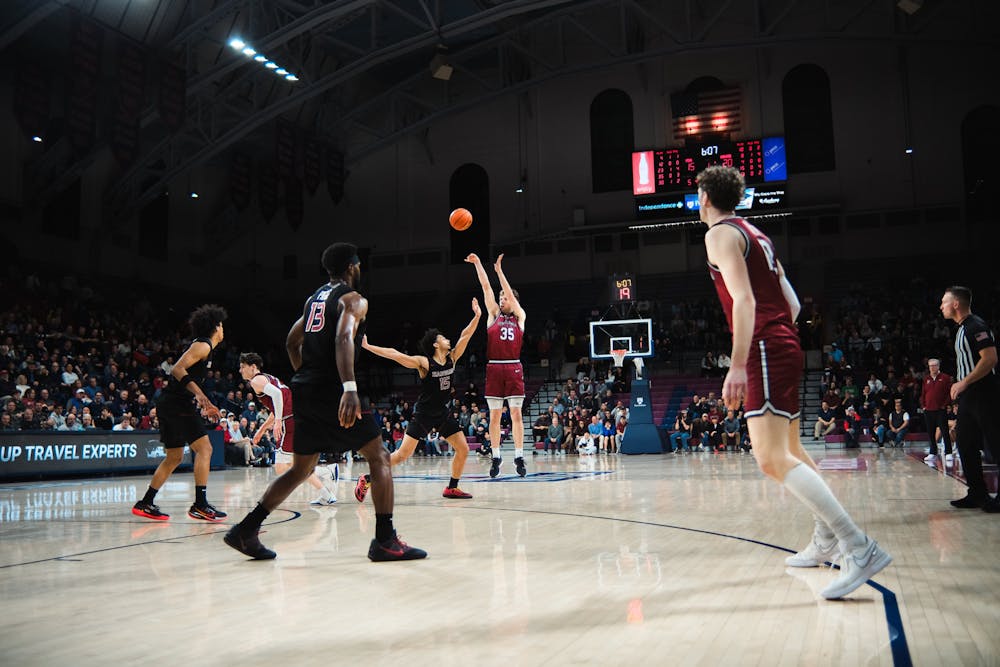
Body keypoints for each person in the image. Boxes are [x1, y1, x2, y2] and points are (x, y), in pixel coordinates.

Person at [697, 165, 890, 599]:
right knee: (792, 450)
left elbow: (745, 300)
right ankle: (826, 539)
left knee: (769, 459)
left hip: (765, 346)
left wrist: (737, 364)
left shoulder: (719, 234)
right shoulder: (757, 235)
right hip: (784, 341)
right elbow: (794, 304)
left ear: (705, 197)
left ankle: (858, 546)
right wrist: (776, 334)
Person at [224, 242, 425, 560]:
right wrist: (348, 387)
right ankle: (385, 540)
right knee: (380, 457)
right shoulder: (353, 299)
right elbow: (343, 337)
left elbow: (292, 342)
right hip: (333, 388)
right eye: (359, 265)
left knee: (301, 469)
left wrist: (307, 376)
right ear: (352, 267)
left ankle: (245, 530)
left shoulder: (313, 300)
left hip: (306, 388)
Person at [355, 298, 482, 501]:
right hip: (423, 414)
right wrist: (369, 347)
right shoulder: (425, 363)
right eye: (443, 338)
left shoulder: (453, 357)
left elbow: (466, 335)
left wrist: (477, 316)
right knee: (401, 455)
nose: (448, 340)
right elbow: (396, 355)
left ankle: (452, 488)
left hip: (442, 413)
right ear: (436, 344)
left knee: (463, 449)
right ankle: (367, 478)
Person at [132, 304, 228, 522]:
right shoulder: (203, 345)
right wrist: (201, 396)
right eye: (221, 325)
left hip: (170, 403)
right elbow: (176, 369)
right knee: (205, 449)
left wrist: (203, 399)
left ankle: (145, 502)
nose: (223, 329)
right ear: (215, 327)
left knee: (174, 457)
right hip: (177, 404)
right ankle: (200, 505)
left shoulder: (204, 348)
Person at [239, 352, 337, 505]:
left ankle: (326, 483)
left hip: (289, 421)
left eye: (242, 367)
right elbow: (277, 406)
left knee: (283, 467)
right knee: (289, 465)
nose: (240, 370)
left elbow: (277, 395)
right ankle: (326, 480)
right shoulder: (269, 378)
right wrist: (262, 429)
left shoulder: (256, 381)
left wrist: (278, 421)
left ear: (253, 367)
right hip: (296, 417)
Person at [465, 252, 528, 478]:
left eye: (505, 298)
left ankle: (519, 455)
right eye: (500, 297)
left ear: (513, 301)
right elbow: (485, 287)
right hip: (494, 368)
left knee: (516, 414)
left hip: (513, 367)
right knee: (494, 417)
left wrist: (500, 272)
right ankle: (496, 455)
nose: (502, 300)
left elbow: (509, 292)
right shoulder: (493, 314)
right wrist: (478, 264)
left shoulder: (520, 316)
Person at [940, 286, 1000, 511]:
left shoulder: (976, 325)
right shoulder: (961, 329)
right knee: (965, 444)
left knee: (995, 443)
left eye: (944, 302)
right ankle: (977, 493)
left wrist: (964, 381)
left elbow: (990, 358)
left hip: (985, 392)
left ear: (956, 304)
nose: (941, 306)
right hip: (968, 396)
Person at [921, 358, 954, 465]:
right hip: (928, 409)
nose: (932, 368)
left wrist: (945, 405)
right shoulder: (926, 379)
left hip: (940, 409)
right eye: (930, 366)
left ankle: (948, 452)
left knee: (944, 431)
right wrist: (923, 406)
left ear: (938, 366)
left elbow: (949, 393)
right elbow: (923, 393)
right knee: (931, 432)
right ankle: (933, 452)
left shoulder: (945, 378)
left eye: (934, 365)